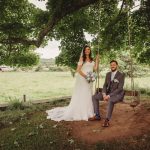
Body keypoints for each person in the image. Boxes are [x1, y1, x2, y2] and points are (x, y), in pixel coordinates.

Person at [46, 45, 99, 121]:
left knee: (88, 94)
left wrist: (97, 60)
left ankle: (89, 111)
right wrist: (86, 77)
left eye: (89, 49)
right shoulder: (82, 58)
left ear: (90, 51)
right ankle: (80, 112)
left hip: (90, 79)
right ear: (84, 51)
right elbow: (78, 70)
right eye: (86, 49)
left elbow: (95, 68)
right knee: (83, 93)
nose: (87, 51)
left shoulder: (91, 59)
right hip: (83, 79)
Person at [89, 60, 125, 127]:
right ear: (110, 66)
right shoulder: (108, 74)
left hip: (117, 94)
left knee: (110, 100)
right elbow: (105, 85)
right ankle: (97, 115)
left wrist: (109, 95)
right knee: (94, 97)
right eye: (111, 65)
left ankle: (107, 120)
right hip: (107, 93)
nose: (112, 66)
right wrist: (104, 93)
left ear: (117, 65)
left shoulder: (121, 75)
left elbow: (120, 88)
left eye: (114, 64)